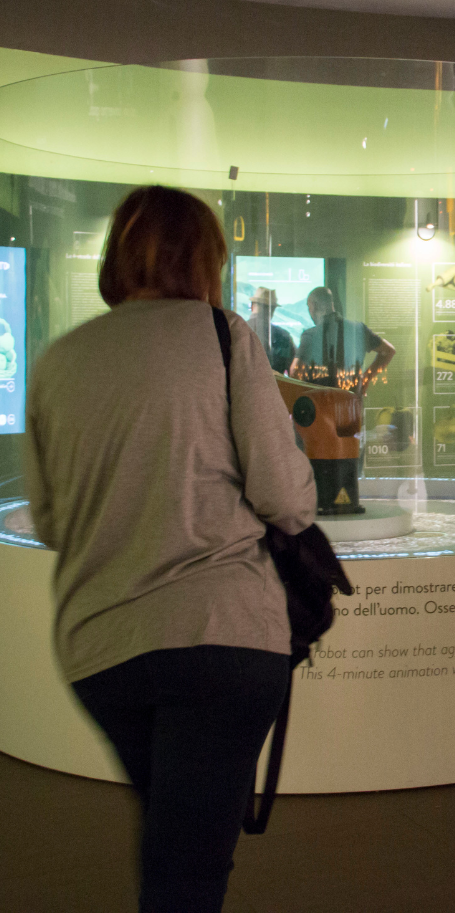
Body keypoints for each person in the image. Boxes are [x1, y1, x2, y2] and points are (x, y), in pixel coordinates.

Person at [25, 185, 316, 913]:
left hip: (102, 651)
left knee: (173, 839)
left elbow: (53, 522)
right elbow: (285, 497)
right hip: (223, 638)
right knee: (185, 869)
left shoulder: (59, 360)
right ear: (209, 260)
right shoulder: (224, 337)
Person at [290, 285, 395, 391]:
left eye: (309, 308)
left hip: (320, 404)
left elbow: (295, 372)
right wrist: (365, 379)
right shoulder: (358, 329)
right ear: (331, 304)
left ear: (313, 306)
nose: (310, 312)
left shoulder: (311, 335)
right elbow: (389, 351)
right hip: (351, 403)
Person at [247, 286, 296, 374]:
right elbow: (293, 370)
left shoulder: (236, 330)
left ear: (252, 306)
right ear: (272, 310)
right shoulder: (284, 336)